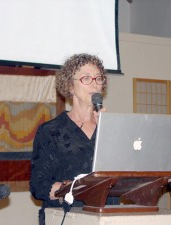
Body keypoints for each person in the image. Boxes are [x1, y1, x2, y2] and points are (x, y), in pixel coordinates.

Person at [29, 53, 119, 225]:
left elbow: (123, 173)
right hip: (66, 217)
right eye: (86, 78)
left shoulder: (110, 128)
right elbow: (38, 186)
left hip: (107, 217)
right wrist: (72, 189)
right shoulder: (50, 131)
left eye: (98, 78)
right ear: (70, 86)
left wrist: (108, 132)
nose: (94, 83)